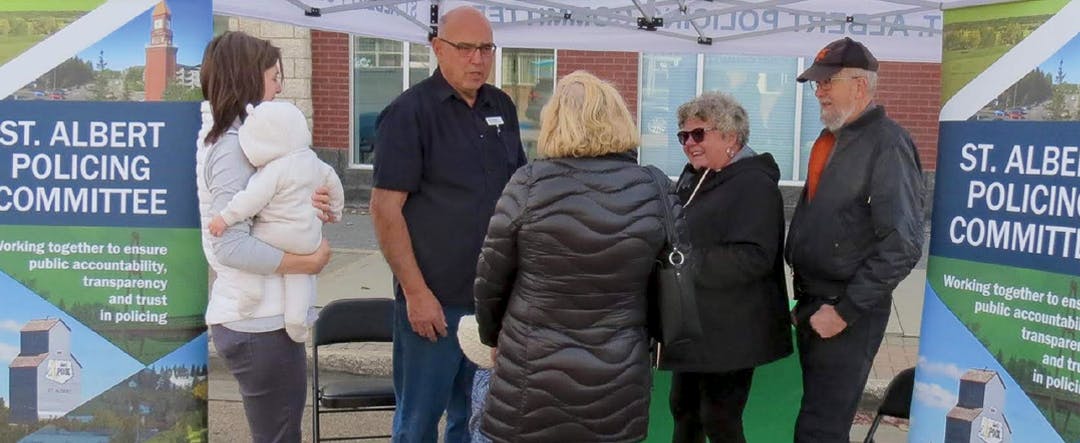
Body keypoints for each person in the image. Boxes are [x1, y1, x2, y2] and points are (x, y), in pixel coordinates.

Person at [473, 70, 666, 442]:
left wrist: (492, 337)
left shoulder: (527, 183)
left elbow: (490, 279)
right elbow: (672, 280)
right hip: (619, 373)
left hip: (531, 372)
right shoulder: (652, 187)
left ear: (554, 122)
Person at [369, 6, 526, 442]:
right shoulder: (409, 114)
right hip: (433, 307)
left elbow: (518, 194)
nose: (477, 59)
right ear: (438, 49)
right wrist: (417, 294)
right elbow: (385, 210)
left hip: (490, 303)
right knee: (419, 421)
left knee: (475, 417)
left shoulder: (502, 106)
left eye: (486, 48)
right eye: (465, 48)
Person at [786, 37, 924, 442]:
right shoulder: (833, 138)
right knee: (817, 422)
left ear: (860, 86)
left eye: (828, 81)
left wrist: (844, 311)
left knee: (819, 430)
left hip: (847, 311)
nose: (819, 91)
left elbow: (903, 243)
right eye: (817, 83)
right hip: (815, 302)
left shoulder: (888, 143)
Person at [198, 31, 334, 443]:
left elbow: (268, 211)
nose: (279, 87)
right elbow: (230, 243)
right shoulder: (233, 148)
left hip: (263, 318)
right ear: (247, 77)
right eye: (274, 76)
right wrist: (307, 263)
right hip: (258, 321)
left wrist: (311, 202)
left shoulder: (243, 142)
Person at [661, 92, 793, 443]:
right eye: (683, 136)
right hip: (695, 324)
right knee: (683, 409)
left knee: (719, 419)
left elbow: (755, 257)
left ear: (730, 137)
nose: (689, 143)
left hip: (733, 329)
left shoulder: (755, 184)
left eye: (698, 134)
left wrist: (683, 264)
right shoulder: (694, 177)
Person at [207, 100, 345, 343]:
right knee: (299, 277)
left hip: (274, 233)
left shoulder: (275, 169)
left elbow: (250, 200)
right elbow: (334, 185)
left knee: (254, 247)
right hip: (306, 237)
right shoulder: (315, 161)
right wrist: (336, 210)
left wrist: (225, 218)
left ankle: (250, 292)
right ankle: (297, 321)